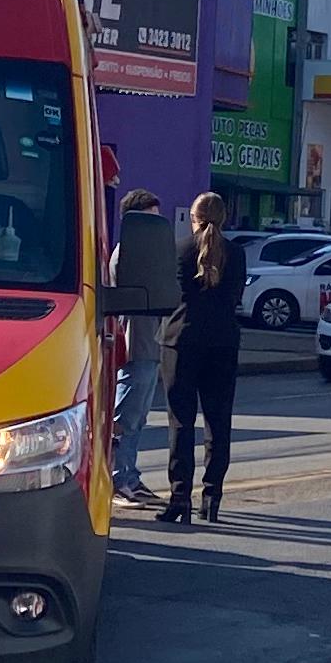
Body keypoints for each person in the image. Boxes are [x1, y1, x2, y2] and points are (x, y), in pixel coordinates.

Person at [157, 190, 243, 525]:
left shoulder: (179, 249)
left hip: (181, 340)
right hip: (223, 342)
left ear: (193, 218)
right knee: (218, 423)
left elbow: (169, 294)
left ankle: (180, 499)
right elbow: (235, 297)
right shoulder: (236, 254)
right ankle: (212, 499)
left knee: (181, 422)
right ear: (224, 219)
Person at [105, 188, 178, 506]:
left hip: (151, 342)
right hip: (136, 342)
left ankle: (129, 475)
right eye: (150, 218)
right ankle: (119, 479)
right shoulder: (128, 254)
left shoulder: (148, 254)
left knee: (139, 415)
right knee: (127, 415)